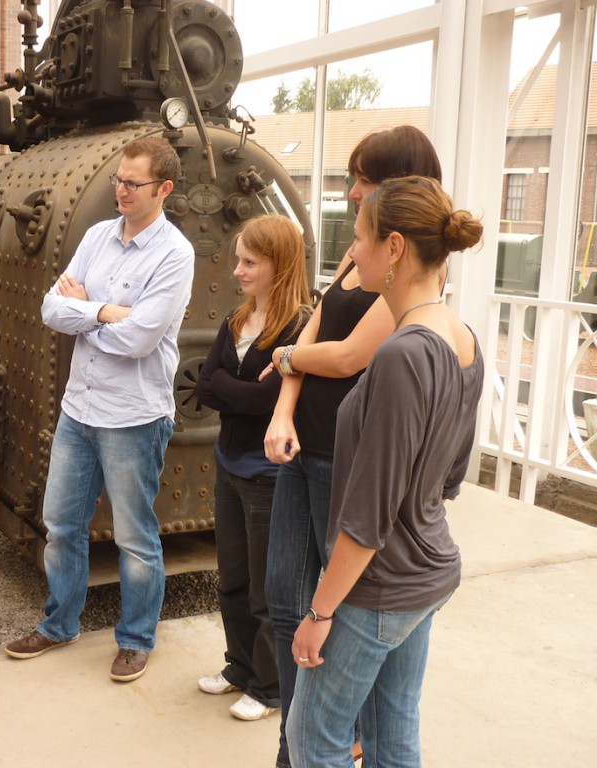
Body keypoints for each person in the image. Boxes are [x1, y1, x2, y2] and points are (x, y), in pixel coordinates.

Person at [261, 125, 443, 768]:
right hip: (304, 447)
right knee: (285, 600)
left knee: (332, 620)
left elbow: (344, 356)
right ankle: (299, 738)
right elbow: (317, 323)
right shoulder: (361, 253)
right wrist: (283, 408)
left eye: (359, 178)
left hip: (344, 463)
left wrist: (282, 353)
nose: (347, 191)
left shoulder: (411, 296)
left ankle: (311, 745)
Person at [287, 176, 484, 767]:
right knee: (392, 731)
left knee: (313, 739)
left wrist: (320, 613)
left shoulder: (403, 353)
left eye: (360, 238)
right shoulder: (461, 337)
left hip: (380, 587)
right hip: (426, 571)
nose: (353, 250)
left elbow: (367, 516)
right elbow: (450, 475)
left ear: (394, 248)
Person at [4, 137, 194, 682]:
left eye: (133, 183)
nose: (122, 191)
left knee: (134, 537)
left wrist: (83, 311)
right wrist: (107, 311)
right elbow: (49, 309)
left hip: (133, 415)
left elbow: (138, 340)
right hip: (79, 408)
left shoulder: (174, 254)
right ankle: (59, 625)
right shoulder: (96, 236)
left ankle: (136, 640)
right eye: (118, 179)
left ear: (165, 189)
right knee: (61, 525)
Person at [193, 216, 310, 721]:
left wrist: (230, 391)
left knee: (265, 588)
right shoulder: (236, 321)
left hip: (268, 474)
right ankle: (239, 666)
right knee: (231, 578)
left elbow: (267, 401)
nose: (237, 271)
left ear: (277, 266)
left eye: (249, 262)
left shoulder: (300, 327)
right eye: (238, 260)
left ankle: (270, 688)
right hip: (229, 465)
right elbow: (203, 385)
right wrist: (239, 395)